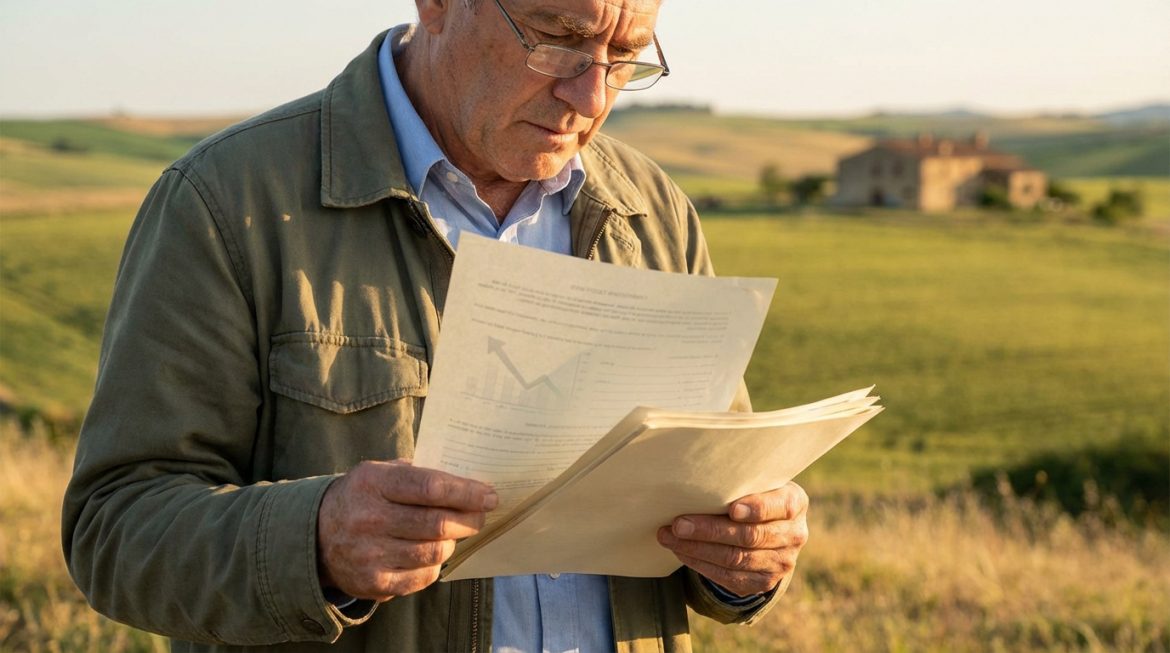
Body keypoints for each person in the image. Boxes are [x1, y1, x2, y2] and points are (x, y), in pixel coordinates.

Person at [62, 1, 810, 651]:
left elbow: (717, 497)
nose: (590, 95)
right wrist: (314, 541)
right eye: (557, 38)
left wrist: (747, 557)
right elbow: (114, 530)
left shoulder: (654, 211)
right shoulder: (228, 201)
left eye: (624, 56)